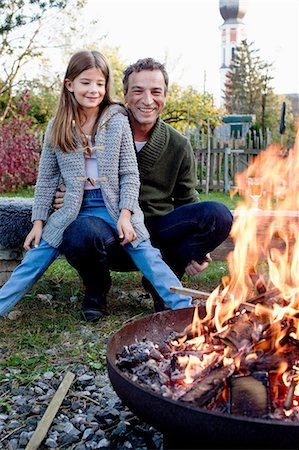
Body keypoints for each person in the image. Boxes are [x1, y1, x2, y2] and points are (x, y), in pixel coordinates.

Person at [0, 50, 192, 321]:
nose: (93, 90)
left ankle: (185, 310)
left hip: (114, 206)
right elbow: (46, 179)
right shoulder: (57, 127)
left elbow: (129, 173)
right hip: (73, 211)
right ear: (70, 85)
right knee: (32, 263)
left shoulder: (117, 121)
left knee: (150, 258)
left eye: (100, 84)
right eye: (86, 83)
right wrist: (39, 221)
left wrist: (126, 214)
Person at [57, 57, 233, 313]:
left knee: (218, 214)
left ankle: (163, 283)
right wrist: (61, 194)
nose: (147, 100)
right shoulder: (98, 130)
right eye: (138, 90)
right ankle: (96, 289)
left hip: (159, 238)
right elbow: (69, 171)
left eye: (156, 92)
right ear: (124, 94)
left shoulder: (178, 145)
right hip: (108, 233)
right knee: (79, 233)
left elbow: (187, 201)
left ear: (165, 95)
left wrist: (197, 249)